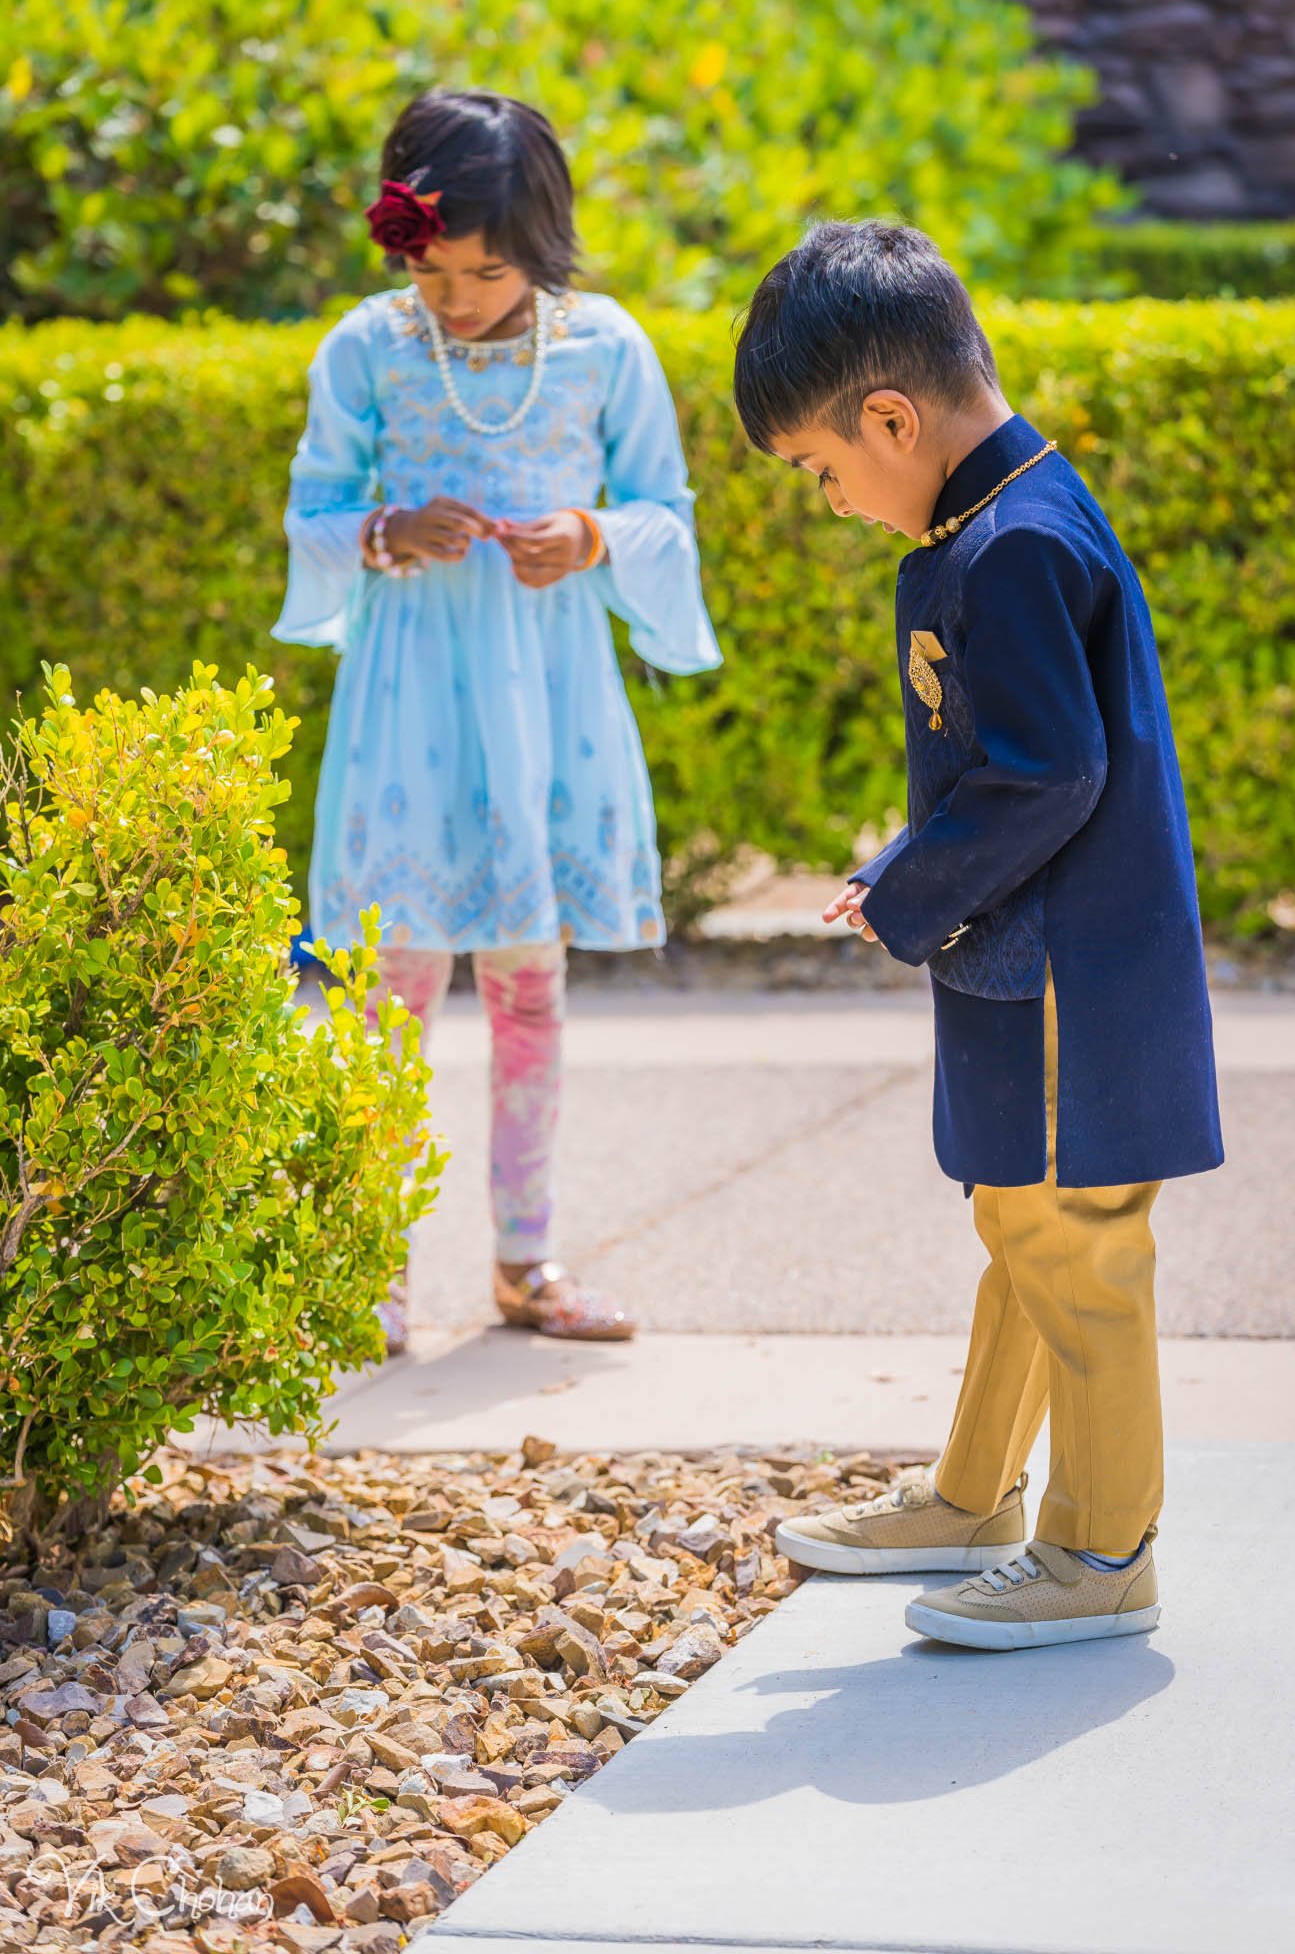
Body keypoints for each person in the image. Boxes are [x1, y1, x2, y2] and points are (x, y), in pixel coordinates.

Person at [733, 221, 1223, 1650]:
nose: (830, 500)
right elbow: (1017, 759)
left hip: (1075, 970)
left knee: (1075, 1244)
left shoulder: (1009, 547)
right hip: (1038, 958)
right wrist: (908, 866)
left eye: (825, 471)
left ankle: (1101, 1547)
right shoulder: (997, 519)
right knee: (1022, 1225)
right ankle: (976, 1497)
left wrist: (903, 893)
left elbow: (1048, 774)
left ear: (892, 418)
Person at [277, 89, 720, 1355]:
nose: (457, 295)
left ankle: (527, 1260)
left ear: (545, 240)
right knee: (387, 993)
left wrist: (588, 537)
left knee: (531, 987)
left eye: (488, 267)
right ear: (398, 241)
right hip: (411, 688)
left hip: (548, 697)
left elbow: (663, 518)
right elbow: (311, 517)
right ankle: (368, 1274)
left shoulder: (605, 347)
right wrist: (378, 532)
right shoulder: (365, 348)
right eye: (433, 266)